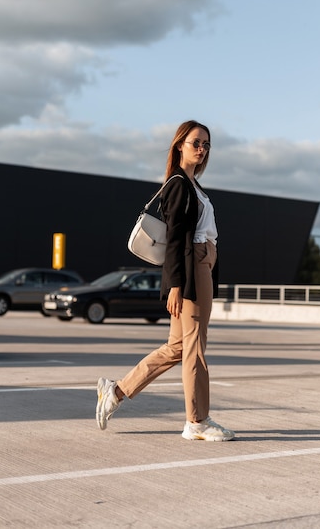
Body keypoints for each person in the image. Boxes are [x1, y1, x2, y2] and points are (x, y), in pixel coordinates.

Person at [96, 120, 235, 441]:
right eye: (196, 143)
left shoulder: (193, 186)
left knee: (178, 347)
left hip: (202, 267)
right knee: (194, 350)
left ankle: (115, 391)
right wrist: (175, 285)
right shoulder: (178, 185)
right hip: (191, 271)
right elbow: (176, 240)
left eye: (206, 145)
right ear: (179, 145)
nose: (202, 149)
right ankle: (197, 421)